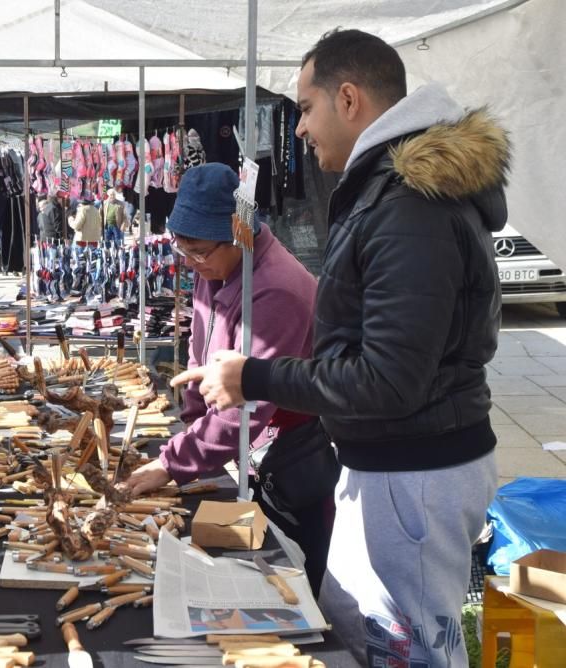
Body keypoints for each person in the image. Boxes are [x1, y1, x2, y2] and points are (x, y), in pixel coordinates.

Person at [172, 29, 510, 668]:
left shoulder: (411, 206)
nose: (297, 129)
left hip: (413, 471)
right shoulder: (394, 194)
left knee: (406, 654)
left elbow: (388, 381)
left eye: (304, 108)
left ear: (348, 98)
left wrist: (258, 376)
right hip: (393, 465)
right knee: (363, 641)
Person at [122, 164, 330, 592]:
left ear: (237, 235)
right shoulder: (215, 267)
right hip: (244, 455)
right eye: (185, 253)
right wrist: (192, 422)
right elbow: (203, 352)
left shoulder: (276, 291)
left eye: (200, 252)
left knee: (288, 583)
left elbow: (247, 406)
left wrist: (174, 463)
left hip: (288, 461)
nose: (194, 264)